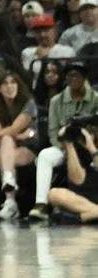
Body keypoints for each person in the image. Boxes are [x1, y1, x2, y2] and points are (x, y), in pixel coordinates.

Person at [29, 61, 98, 221]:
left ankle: (87, 212)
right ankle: (41, 204)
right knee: (45, 155)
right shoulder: (56, 101)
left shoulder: (95, 99)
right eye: (70, 76)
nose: (74, 79)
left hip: (90, 145)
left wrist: (87, 141)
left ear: (84, 78)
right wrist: (65, 145)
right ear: (65, 79)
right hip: (65, 146)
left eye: (77, 75)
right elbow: (53, 132)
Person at [0, 70, 37, 221]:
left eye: (13, 83)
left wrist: (18, 135)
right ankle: (10, 200)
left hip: (28, 149)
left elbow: (13, 128)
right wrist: (19, 135)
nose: (10, 87)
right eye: (5, 83)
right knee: (6, 140)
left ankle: (10, 200)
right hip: (5, 150)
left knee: (6, 141)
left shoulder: (29, 103)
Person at [47, 125, 98, 222]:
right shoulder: (79, 154)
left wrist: (92, 148)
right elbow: (77, 181)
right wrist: (69, 144)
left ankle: (85, 217)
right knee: (53, 194)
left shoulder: (94, 152)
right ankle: (92, 214)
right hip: (82, 203)